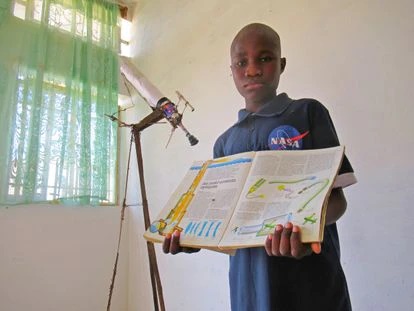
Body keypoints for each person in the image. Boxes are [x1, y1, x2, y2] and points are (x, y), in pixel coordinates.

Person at [163, 23, 357, 311]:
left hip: (311, 282)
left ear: (282, 64)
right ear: (232, 71)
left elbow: (338, 201)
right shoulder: (224, 143)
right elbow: (227, 227)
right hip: (249, 288)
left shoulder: (308, 112)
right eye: (241, 62)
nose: (252, 69)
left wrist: (304, 233)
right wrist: (193, 238)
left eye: (264, 58)